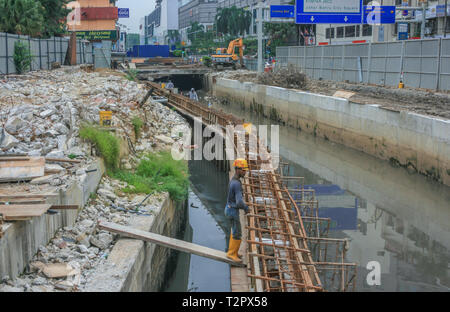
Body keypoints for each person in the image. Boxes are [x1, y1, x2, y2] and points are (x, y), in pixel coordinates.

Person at [224, 158, 249, 264]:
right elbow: (239, 202)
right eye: (243, 170)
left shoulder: (233, 180)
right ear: (238, 170)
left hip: (229, 209)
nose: (245, 172)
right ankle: (231, 254)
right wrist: (246, 208)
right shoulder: (237, 184)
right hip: (232, 211)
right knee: (237, 233)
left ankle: (233, 252)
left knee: (234, 231)